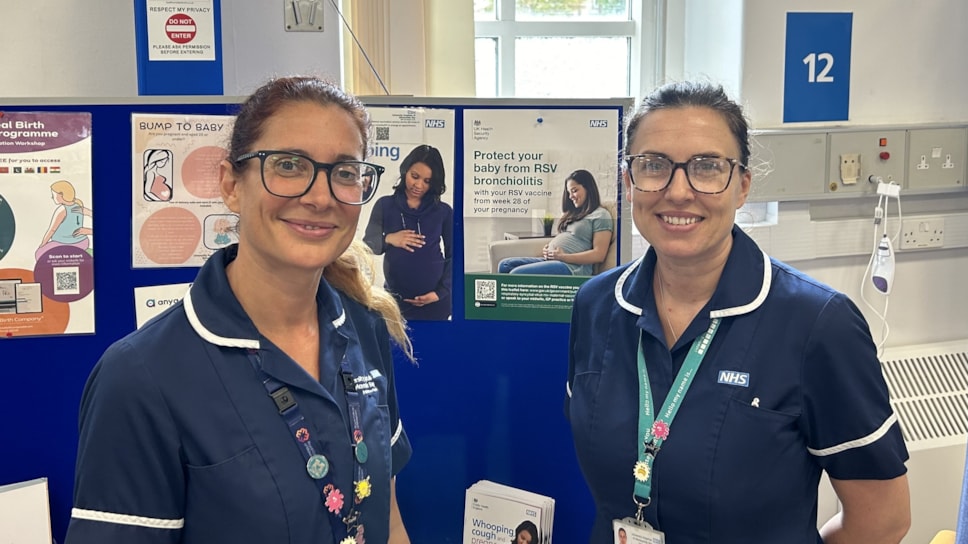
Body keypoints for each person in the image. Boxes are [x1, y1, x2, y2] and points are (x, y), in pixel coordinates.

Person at [66, 76, 414, 544]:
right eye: (289, 165)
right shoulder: (140, 377)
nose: (321, 196)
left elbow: (386, 520)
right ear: (232, 185)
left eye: (345, 172)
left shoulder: (364, 326)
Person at [565, 81, 911, 543]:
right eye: (653, 166)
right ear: (629, 183)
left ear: (743, 185)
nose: (678, 190)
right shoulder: (596, 305)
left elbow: (883, 519)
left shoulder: (818, 325)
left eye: (707, 167)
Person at [363, 144, 453, 320]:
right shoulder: (385, 205)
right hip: (395, 304)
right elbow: (368, 245)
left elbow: (455, 255)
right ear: (405, 171)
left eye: (427, 181)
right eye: (415, 176)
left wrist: (440, 293)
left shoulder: (443, 211)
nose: (418, 185)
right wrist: (389, 238)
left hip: (436, 304)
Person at [497, 169, 612, 275]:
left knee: (516, 274)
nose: (571, 196)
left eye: (574, 190)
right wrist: (549, 248)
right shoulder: (575, 214)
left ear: (588, 188)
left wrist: (563, 257)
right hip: (556, 260)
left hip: (572, 267)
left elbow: (599, 254)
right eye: (569, 192)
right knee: (505, 265)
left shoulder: (601, 214)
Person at [37, 180, 92, 260]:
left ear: (61, 195)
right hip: (83, 242)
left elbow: (52, 230)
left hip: (64, 243)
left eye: (53, 195)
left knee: (39, 254)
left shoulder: (62, 210)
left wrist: (42, 244)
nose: (52, 197)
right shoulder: (78, 205)